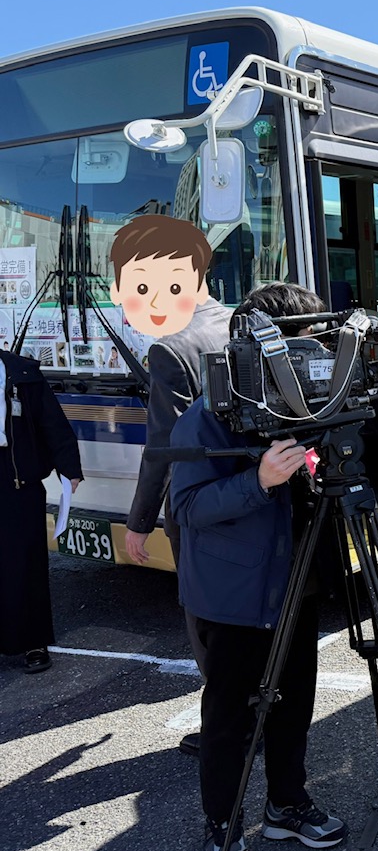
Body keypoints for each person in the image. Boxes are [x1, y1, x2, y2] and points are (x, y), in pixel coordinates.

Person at [169, 283, 378, 851]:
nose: (317, 356)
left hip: (300, 581)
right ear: (265, 344)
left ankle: (286, 803)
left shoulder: (308, 397)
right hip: (234, 594)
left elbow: (371, 430)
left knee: (295, 700)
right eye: (303, 341)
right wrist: (259, 482)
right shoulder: (211, 414)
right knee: (229, 715)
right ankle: (222, 822)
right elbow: (188, 509)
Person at [111, 215, 232, 757]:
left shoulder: (172, 348)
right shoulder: (242, 324)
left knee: (207, 619)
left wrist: (138, 523)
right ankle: (262, 708)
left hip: (198, 505)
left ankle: (227, 727)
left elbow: (165, 446)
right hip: (253, 493)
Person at [0, 350, 83, 673]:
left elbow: (52, 421)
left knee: (26, 563)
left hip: (16, 476)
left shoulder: (21, 372)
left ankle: (34, 642)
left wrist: (69, 467)